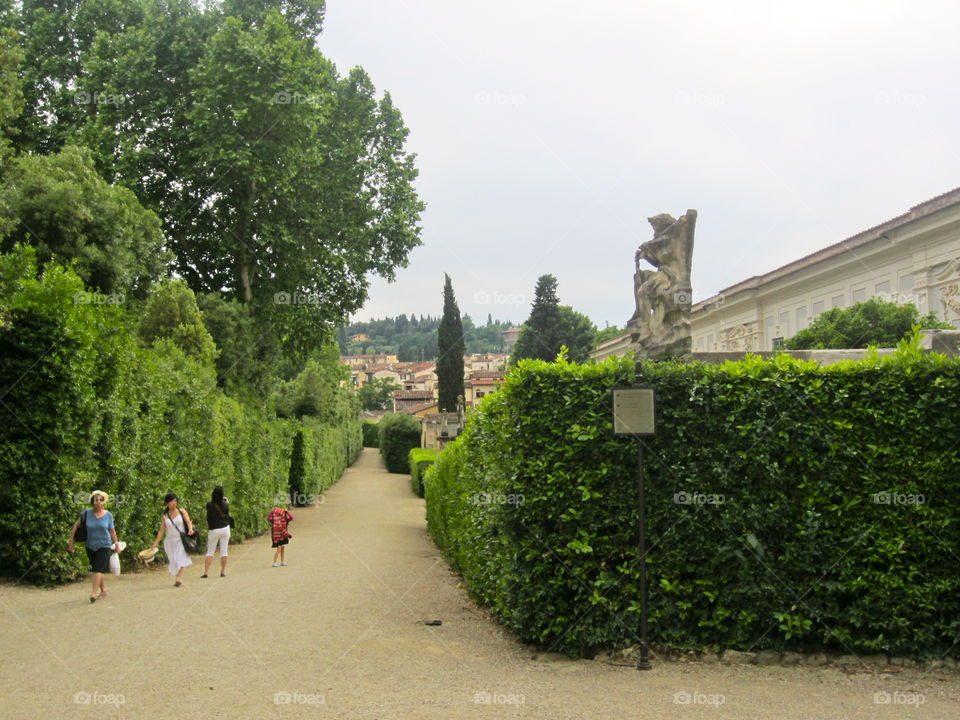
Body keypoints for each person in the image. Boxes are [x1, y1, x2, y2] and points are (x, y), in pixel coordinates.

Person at [68, 490, 121, 603]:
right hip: (90, 545)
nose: (98, 501)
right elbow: (75, 527)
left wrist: (116, 544)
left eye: (101, 499)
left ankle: (93, 593)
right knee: (97, 569)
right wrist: (71, 542)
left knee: (98, 568)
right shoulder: (86, 514)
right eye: (96, 499)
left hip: (104, 545)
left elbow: (112, 530)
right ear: (92, 501)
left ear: (104, 502)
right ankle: (103, 590)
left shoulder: (108, 515)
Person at [148, 493, 194, 586]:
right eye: (172, 501)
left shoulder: (182, 511)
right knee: (173, 560)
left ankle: (178, 578)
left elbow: (188, 523)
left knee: (181, 557)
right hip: (169, 541)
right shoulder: (165, 515)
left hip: (181, 540)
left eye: (175, 501)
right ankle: (177, 576)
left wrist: (190, 529)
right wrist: (156, 543)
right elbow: (162, 531)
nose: (174, 503)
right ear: (167, 503)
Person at [202, 486, 231, 578]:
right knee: (224, 551)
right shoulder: (225, 505)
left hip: (214, 529)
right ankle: (223, 571)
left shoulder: (209, 504)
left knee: (210, 552)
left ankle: (206, 572)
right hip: (225, 528)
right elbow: (226, 512)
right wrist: (226, 502)